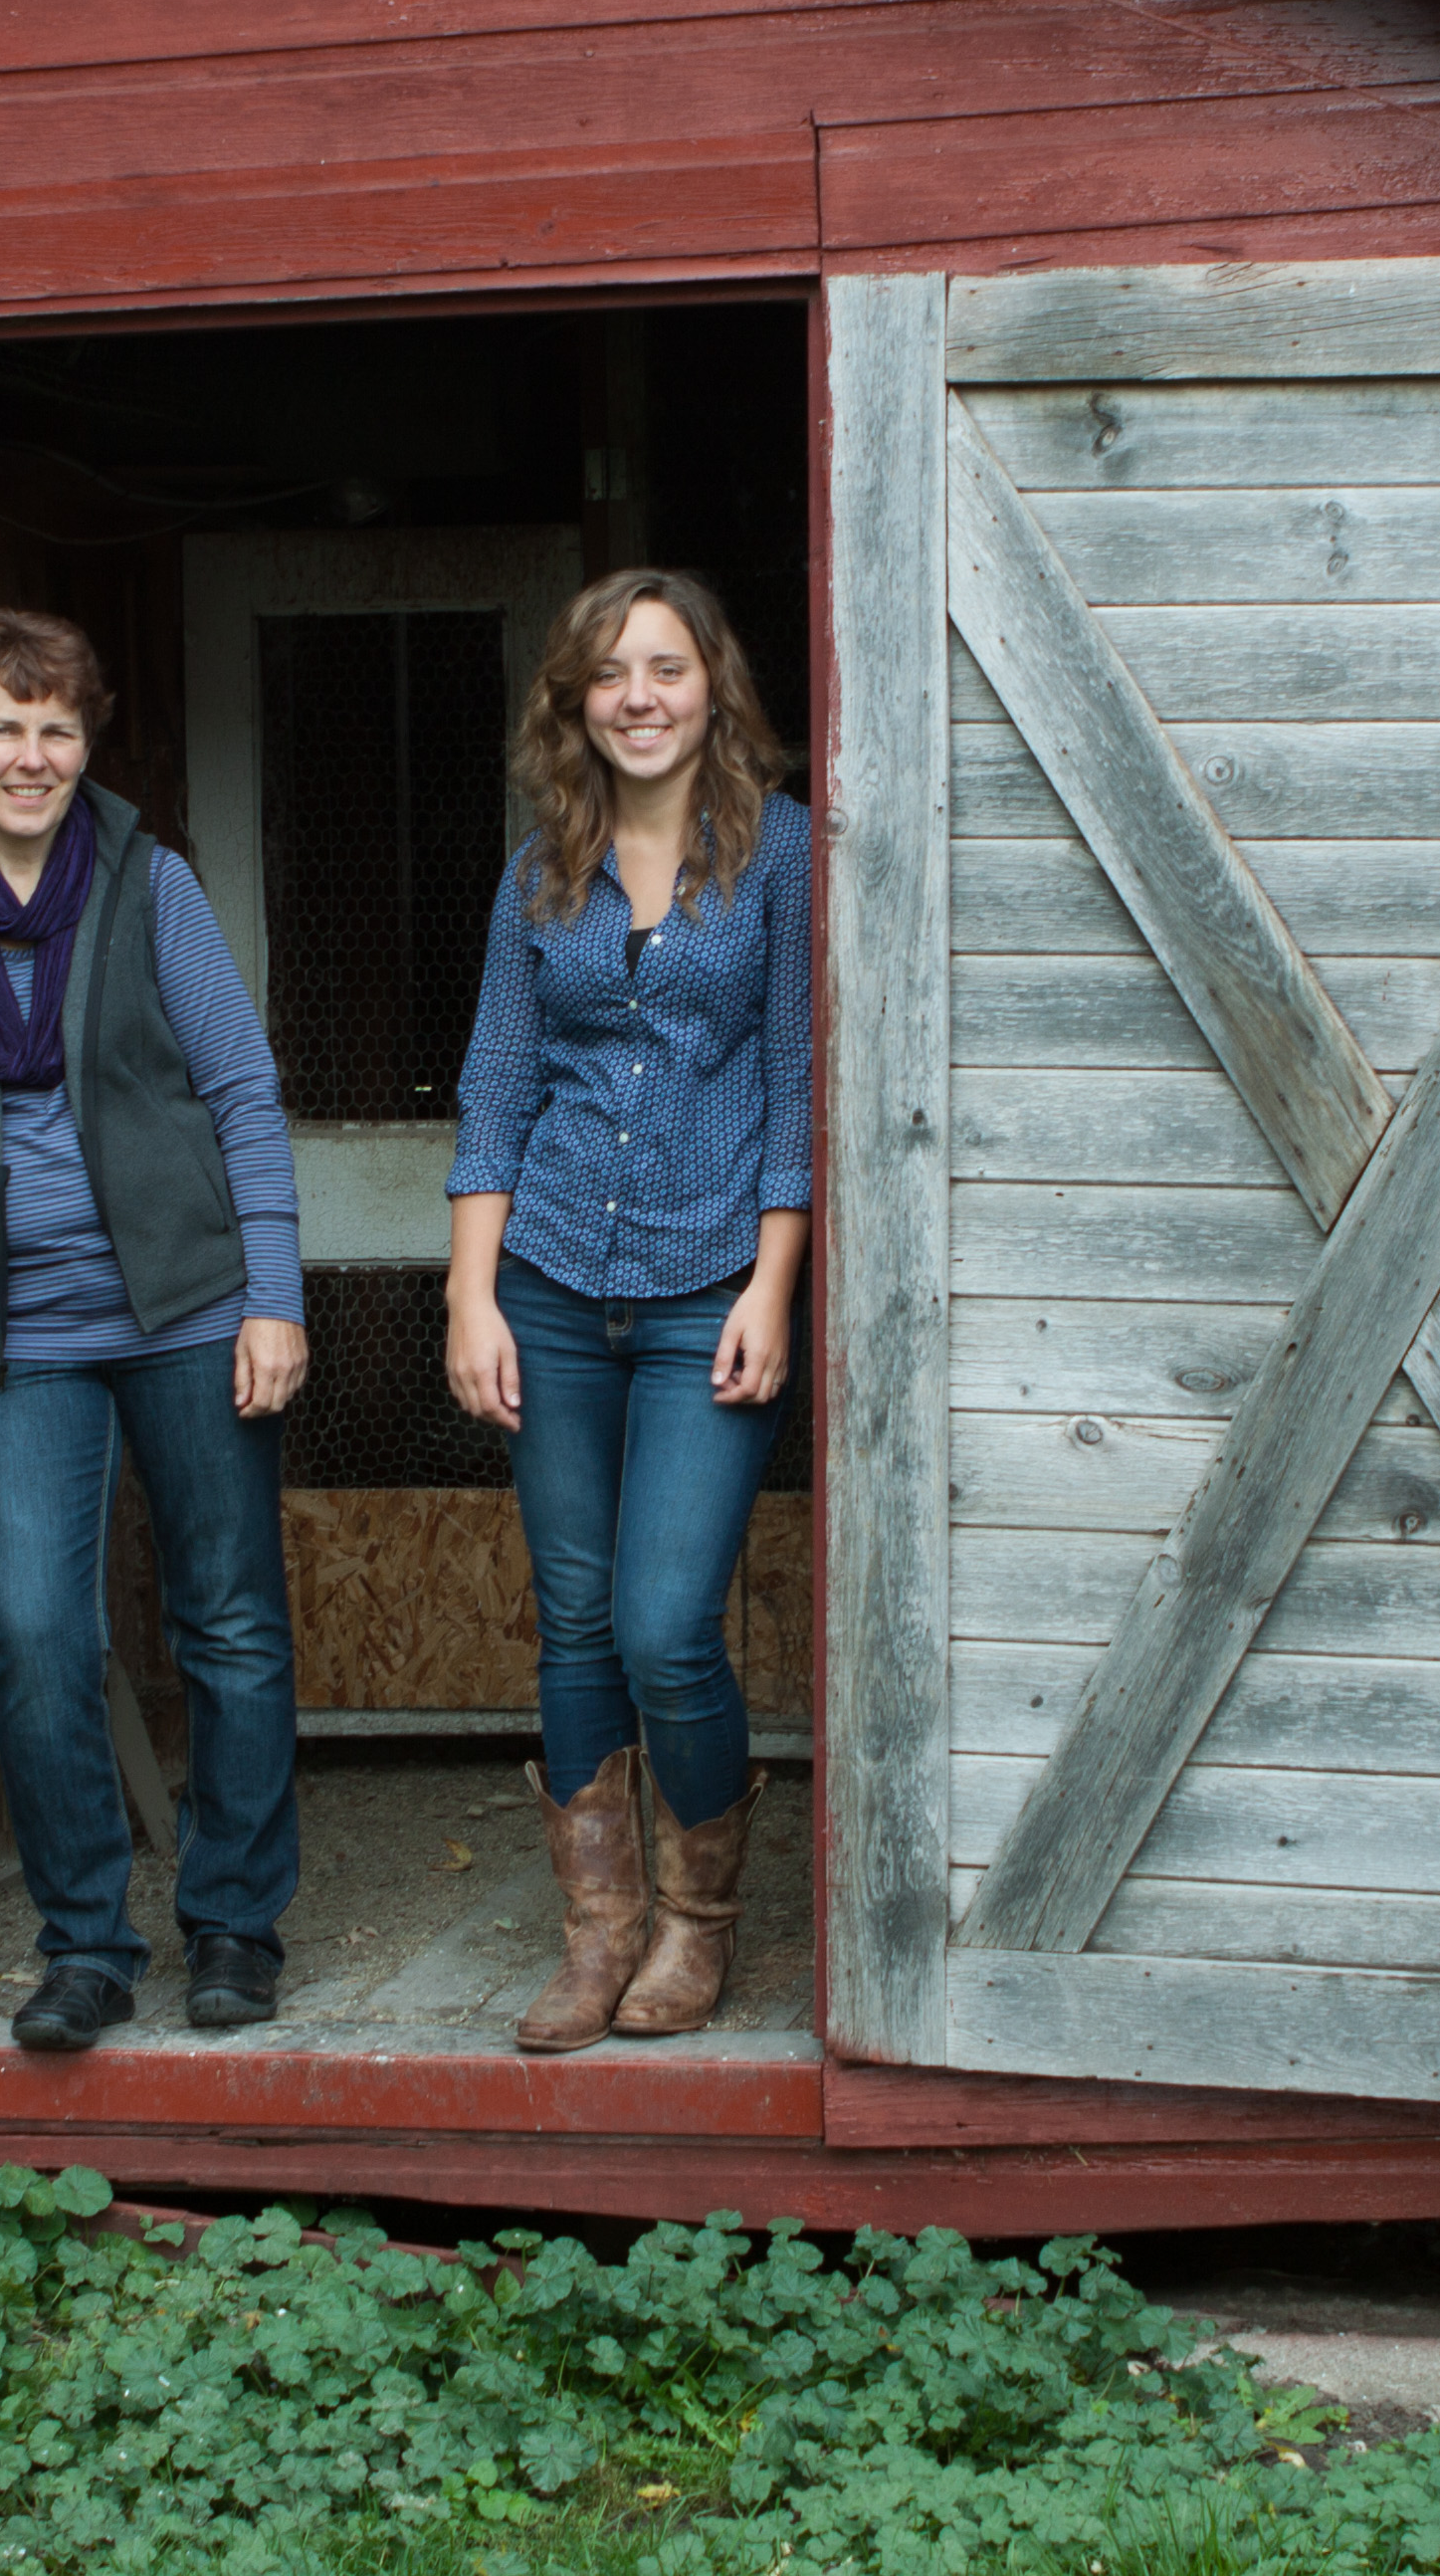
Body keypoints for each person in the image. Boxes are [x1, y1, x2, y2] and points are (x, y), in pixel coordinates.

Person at [0, 608, 309, 2052]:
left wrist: (276, 1295)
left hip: (186, 1303)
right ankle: (86, 1947)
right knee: (38, 1630)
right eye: (4, 726)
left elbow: (240, 1085)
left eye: (57, 728)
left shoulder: (147, 877)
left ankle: (236, 1924)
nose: (32, 755)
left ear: (85, 744)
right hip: (11, 1332)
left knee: (228, 1619)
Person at [443, 568, 810, 2051]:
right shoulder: (542, 867)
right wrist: (473, 1296)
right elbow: (494, 1088)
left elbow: (797, 1087)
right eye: (611, 674)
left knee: (668, 1625)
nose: (640, 698)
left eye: (667, 668)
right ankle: (598, 1938)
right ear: (575, 702)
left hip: (708, 1284)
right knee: (578, 1623)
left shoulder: (779, 857)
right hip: (549, 1279)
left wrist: (775, 1286)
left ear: (713, 686)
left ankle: (699, 1922)